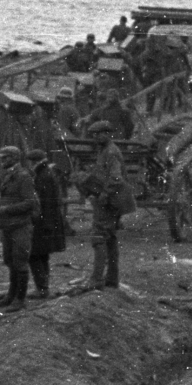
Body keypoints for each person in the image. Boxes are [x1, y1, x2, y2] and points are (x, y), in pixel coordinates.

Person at [77, 120, 130, 288]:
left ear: (107, 134)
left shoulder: (111, 152)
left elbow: (116, 178)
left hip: (108, 201)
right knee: (110, 239)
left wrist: (104, 195)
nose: (95, 137)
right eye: (93, 135)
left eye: (98, 134)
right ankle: (111, 279)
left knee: (99, 236)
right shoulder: (105, 150)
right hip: (110, 200)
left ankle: (97, 279)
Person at [0, 145, 37, 311]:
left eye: (5, 158)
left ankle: (20, 298)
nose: (2, 161)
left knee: (20, 261)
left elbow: (29, 203)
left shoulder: (24, 177)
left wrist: (6, 210)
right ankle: (11, 294)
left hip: (20, 225)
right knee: (9, 260)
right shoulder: (8, 174)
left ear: (15, 158)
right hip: (8, 225)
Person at [26, 149, 66, 299]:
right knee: (42, 255)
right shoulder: (46, 174)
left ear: (34, 162)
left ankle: (42, 288)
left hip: (43, 222)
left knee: (35, 255)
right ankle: (43, 286)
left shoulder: (43, 177)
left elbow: (47, 203)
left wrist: (47, 224)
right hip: (47, 221)